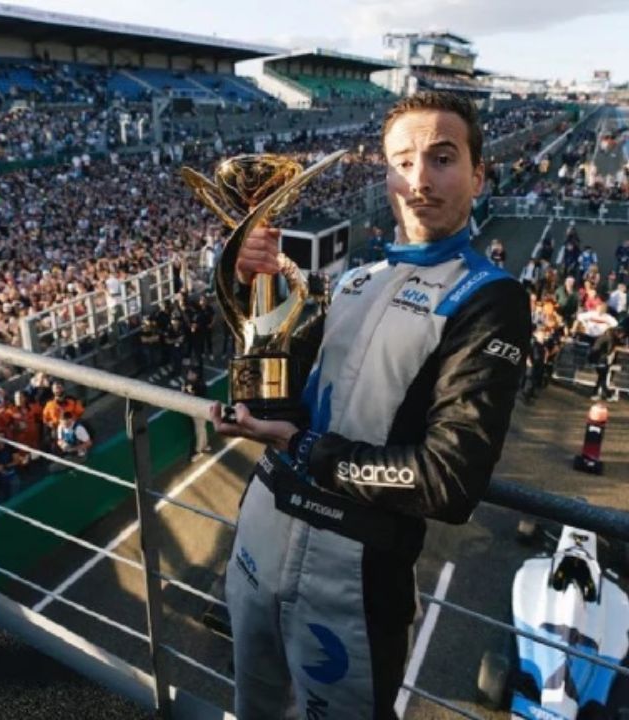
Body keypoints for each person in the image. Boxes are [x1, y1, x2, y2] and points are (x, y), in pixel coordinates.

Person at [209, 92, 529, 718]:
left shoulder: (492, 299)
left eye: (442, 158)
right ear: (384, 173)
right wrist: (248, 293)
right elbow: (284, 399)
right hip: (259, 535)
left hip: (352, 574)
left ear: (479, 173)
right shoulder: (354, 282)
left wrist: (302, 448)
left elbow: (449, 481)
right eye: (402, 161)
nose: (420, 180)